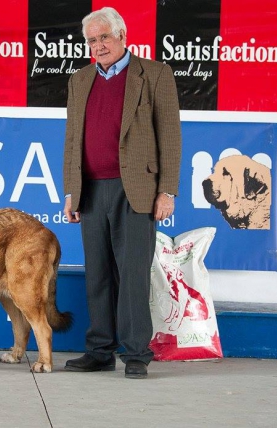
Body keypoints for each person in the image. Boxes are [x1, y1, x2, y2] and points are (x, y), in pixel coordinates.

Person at [62, 7, 181, 379]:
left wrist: (167, 191)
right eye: (92, 40)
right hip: (91, 190)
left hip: (138, 190)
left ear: (122, 36)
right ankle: (99, 349)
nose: (98, 46)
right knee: (97, 273)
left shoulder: (155, 74)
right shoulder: (80, 80)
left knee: (132, 274)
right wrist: (71, 191)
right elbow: (72, 141)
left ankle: (135, 353)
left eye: (105, 38)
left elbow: (171, 137)